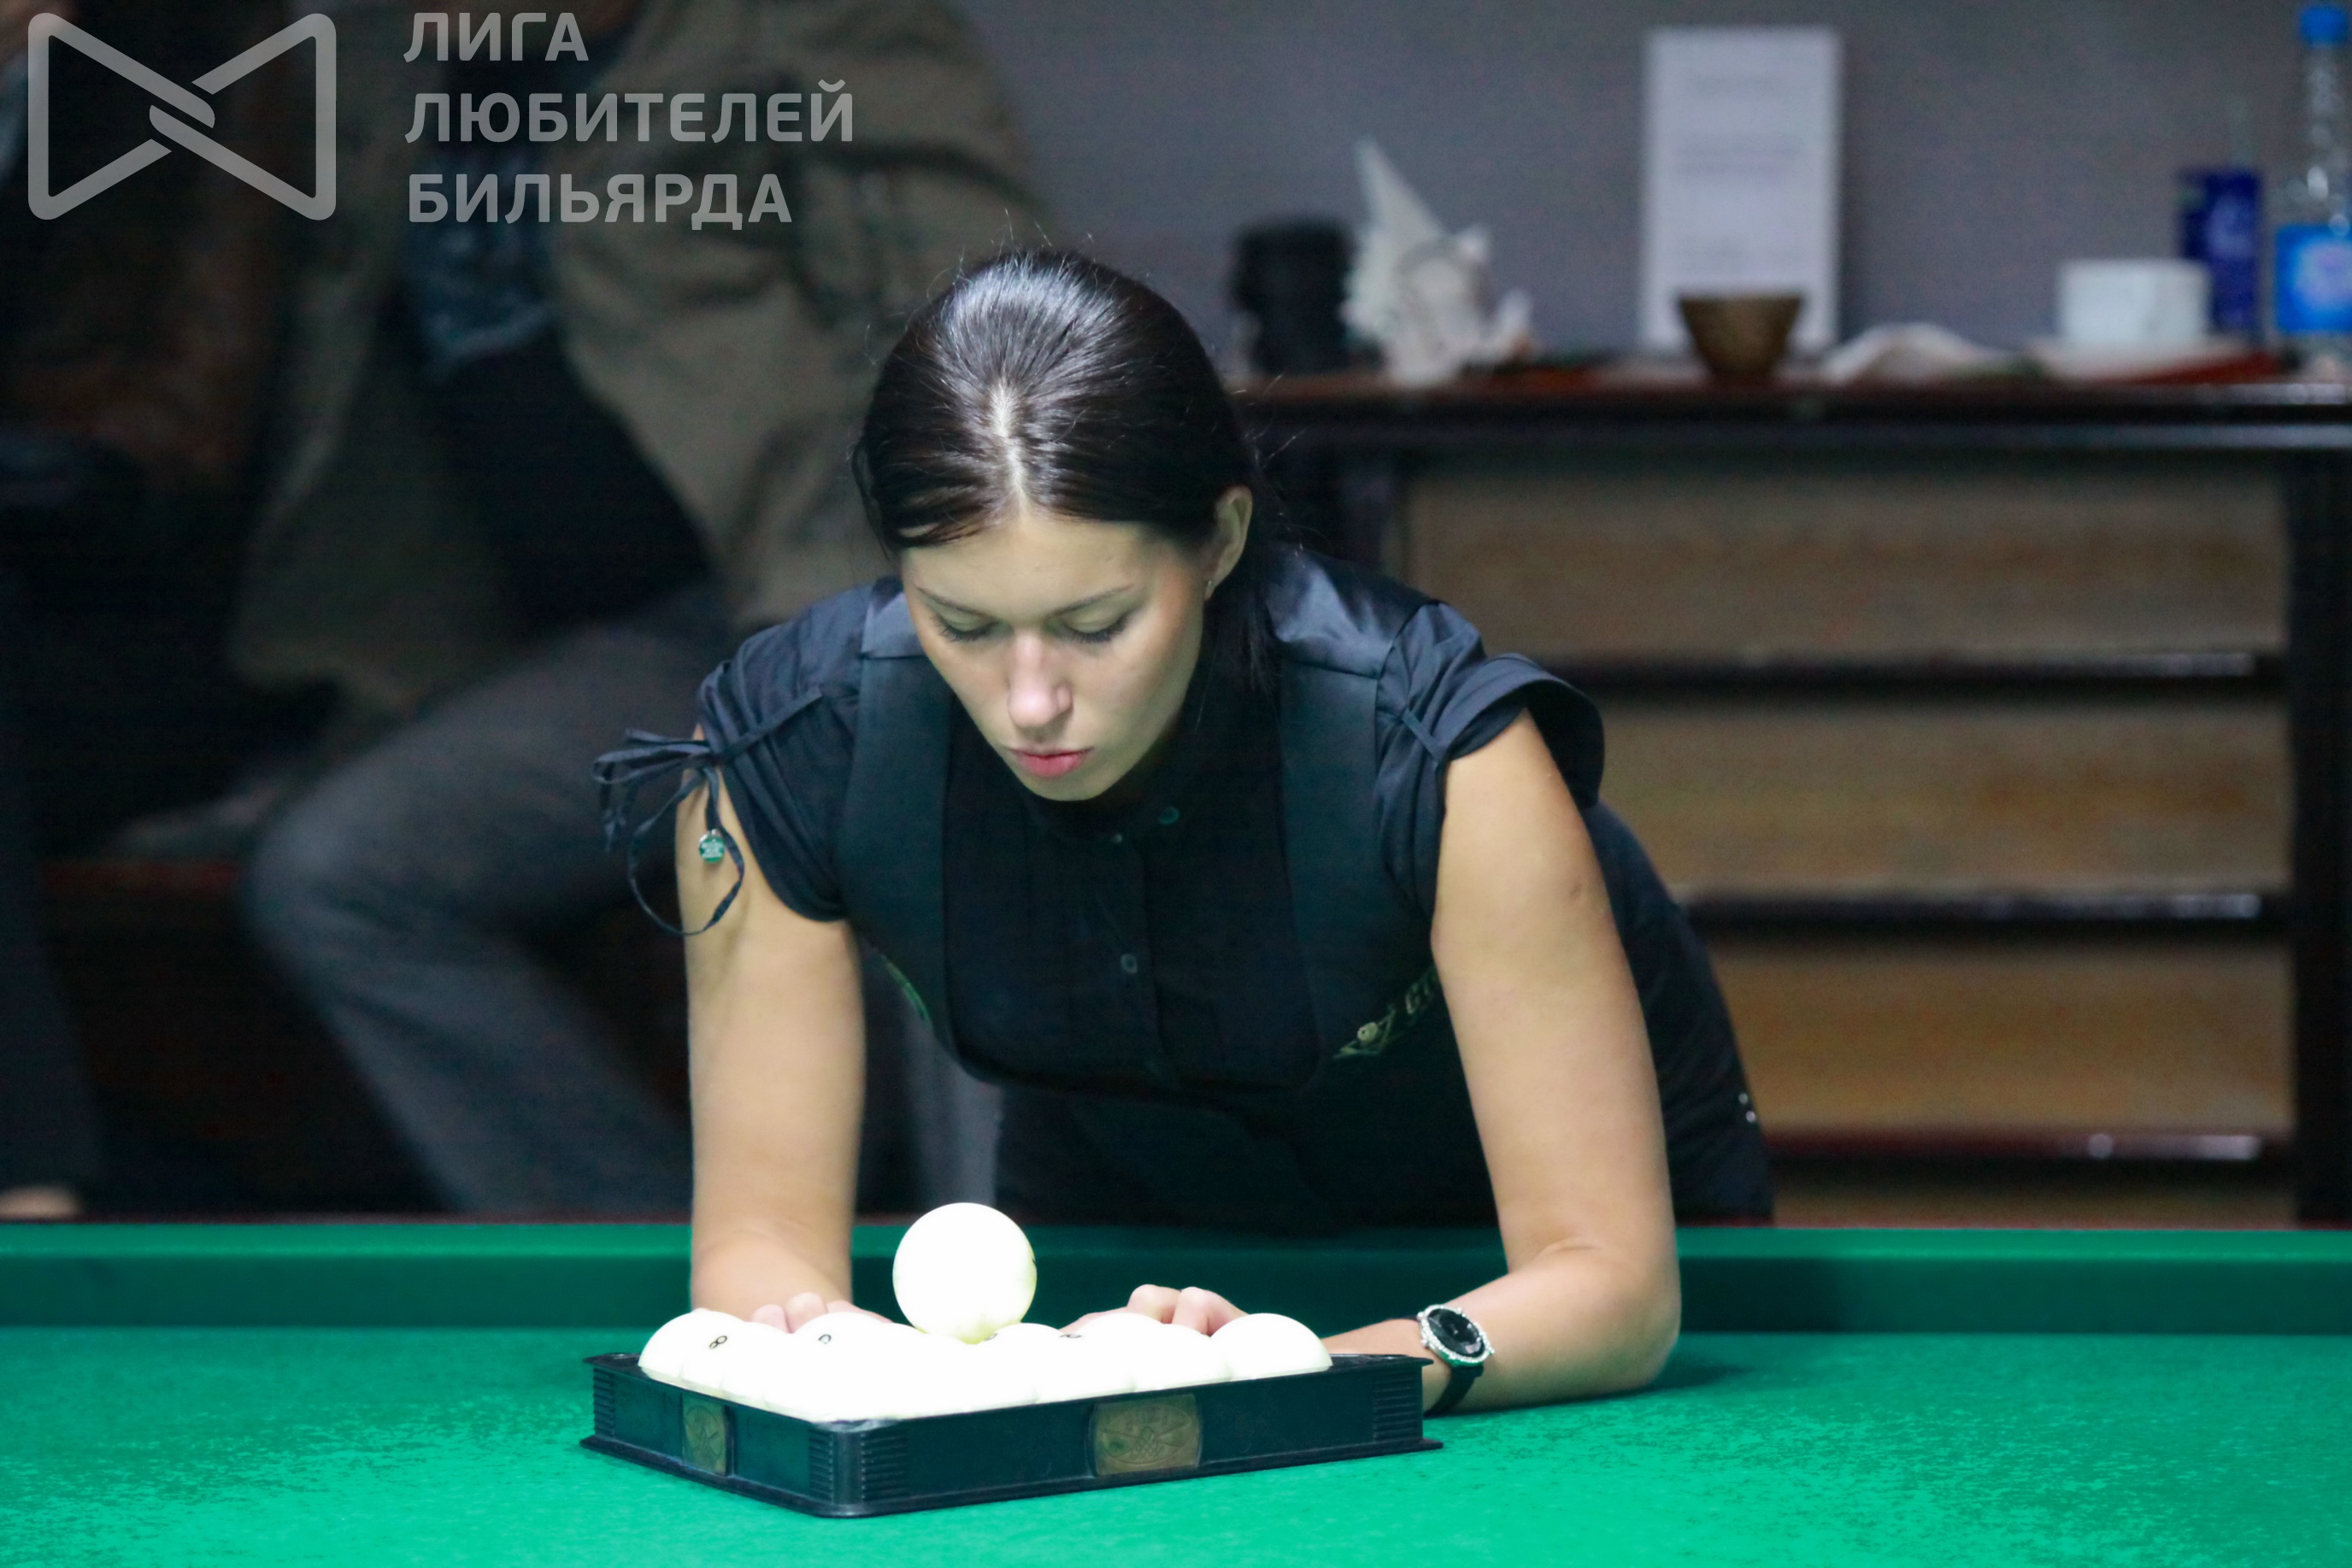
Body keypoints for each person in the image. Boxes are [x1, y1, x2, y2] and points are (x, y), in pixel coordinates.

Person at [605, 252, 1770, 1413]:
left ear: (1220, 539)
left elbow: (1608, 1286)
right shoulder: (789, 747)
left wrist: (1277, 1376)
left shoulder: (1440, 749)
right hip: (1126, 1252)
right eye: (961, 622)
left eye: (1094, 624)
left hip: (1520, 1290)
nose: (1029, 702)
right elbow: (757, 1249)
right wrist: (846, 1360)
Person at [237, 0, 1039, 1213]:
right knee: (338, 877)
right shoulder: (382, 61)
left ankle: (1001, 1290)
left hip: (842, 607)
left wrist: (882, 636)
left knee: (916, 826)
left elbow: (990, 338)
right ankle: (672, 1266)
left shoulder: (817, 29)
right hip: (614, 653)